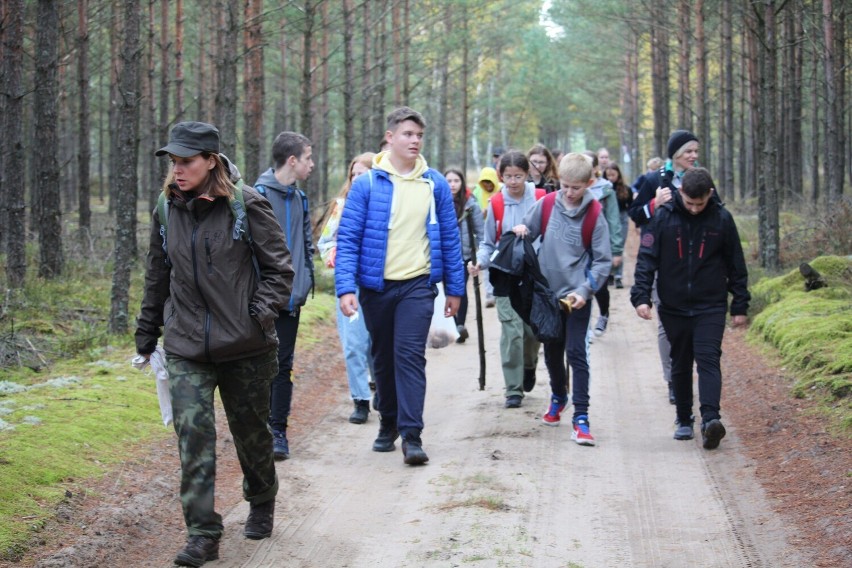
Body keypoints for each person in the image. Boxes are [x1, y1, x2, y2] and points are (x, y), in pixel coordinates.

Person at [135, 121, 294, 566]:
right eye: (173, 162)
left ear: (210, 161)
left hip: (246, 346)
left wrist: (257, 313)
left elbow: (281, 270)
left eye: (186, 161)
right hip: (186, 345)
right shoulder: (167, 210)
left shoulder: (247, 204)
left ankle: (261, 498)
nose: (178, 170)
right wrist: (148, 332)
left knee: (251, 435)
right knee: (194, 440)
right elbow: (157, 274)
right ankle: (203, 534)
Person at [335, 106, 465, 466]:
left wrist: (455, 288)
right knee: (383, 358)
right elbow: (348, 240)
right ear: (390, 138)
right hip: (376, 288)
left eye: (419, 135)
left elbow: (451, 239)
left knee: (408, 356)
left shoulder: (434, 183)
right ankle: (387, 421)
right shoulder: (367, 184)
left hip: (417, 286)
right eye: (408, 134)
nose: (415, 141)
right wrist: (346, 287)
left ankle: (412, 434)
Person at [631, 167, 749, 449]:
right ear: (680, 192)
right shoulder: (663, 218)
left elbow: (736, 264)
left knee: (708, 358)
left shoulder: (722, 219)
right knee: (681, 362)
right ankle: (684, 419)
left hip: (711, 304)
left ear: (709, 194)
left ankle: (711, 420)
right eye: (689, 202)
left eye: (701, 203)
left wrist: (740, 304)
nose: (695, 209)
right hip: (673, 305)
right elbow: (647, 259)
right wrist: (641, 297)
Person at [520, 153, 612, 445]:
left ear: (589, 183)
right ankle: (559, 395)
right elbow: (527, 232)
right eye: (564, 186)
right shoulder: (547, 204)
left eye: (576, 187)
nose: (569, 193)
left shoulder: (595, 215)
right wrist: (520, 231)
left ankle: (581, 418)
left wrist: (585, 291)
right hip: (547, 295)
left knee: (576, 353)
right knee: (552, 352)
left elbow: (602, 261)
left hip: (576, 298)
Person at [253, 131, 316, 460]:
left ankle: (278, 431)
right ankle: (257, 427)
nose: (312, 164)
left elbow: (306, 245)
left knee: (283, 366)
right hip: (262, 301)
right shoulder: (257, 195)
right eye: (308, 158)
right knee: (258, 366)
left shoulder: (301, 198)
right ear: (292, 161)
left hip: (292, 300)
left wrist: (305, 283)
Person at [628, 130, 703, 404]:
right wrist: (653, 203)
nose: (694, 156)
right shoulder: (654, 179)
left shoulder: (701, 179)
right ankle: (673, 379)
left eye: (696, 151)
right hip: (664, 260)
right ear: (675, 155)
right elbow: (635, 213)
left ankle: (692, 373)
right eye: (688, 152)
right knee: (666, 325)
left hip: (697, 261)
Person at [469, 150, 545, 407]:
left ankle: (529, 365)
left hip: (534, 277)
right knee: (511, 332)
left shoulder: (539, 198)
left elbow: (549, 235)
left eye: (518, 176)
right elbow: (488, 242)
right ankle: (513, 389)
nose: (513, 182)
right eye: (508, 176)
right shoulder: (496, 204)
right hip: (504, 277)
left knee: (532, 331)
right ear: (501, 176)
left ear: (527, 175)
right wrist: (480, 261)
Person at [317, 152, 376, 424]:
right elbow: (325, 243)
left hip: (378, 284)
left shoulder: (384, 205)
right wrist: (337, 256)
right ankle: (360, 399)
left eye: (362, 174)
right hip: (349, 283)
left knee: (377, 344)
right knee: (353, 344)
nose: (357, 179)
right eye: (354, 174)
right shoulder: (341, 207)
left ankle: (382, 391)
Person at [583, 151, 622, 337]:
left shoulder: (606, 190)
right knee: (580, 284)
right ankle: (584, 326)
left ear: (596, 168)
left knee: (599, 284)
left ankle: (604, 314)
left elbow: (614, 220)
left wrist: (616, 250)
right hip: (579, 245)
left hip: (600, 244)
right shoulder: (573, 186)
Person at [444, 167, 484, 343]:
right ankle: (452, 324)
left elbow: (480, 231)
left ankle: (460, 325)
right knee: (447, 290)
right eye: (449, 181)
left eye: (456, 181)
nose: (452, 185)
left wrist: (481, 253)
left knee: (460, 289)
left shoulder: (470, 203)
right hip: (444, 255)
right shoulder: (439, 202)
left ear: (462, 182)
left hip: (465, 254)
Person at [472, 165, 502, 307]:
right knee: (486, 262)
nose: (488, 185)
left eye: (490, 182)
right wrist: (480, 214)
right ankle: (489, 294)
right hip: (484, 232)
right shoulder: (477, 192)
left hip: (500, 232)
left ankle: (499, 291)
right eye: (485, 182)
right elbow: (472, 210)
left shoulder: (502, 189)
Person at [604, 162, 633, 289]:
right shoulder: (604, 189)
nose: (610, 177)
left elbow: (631, 205)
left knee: (619, 246)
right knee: (608, 245)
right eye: (608, 175)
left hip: (622, 218)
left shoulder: (626, 189)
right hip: (607, 218)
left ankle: (619, 276)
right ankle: (609, 273)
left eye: (613, 174)